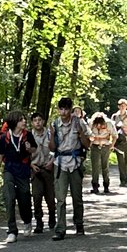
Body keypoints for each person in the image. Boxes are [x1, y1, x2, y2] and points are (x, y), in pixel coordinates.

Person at [47, 96, 91, 239]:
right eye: (61, 109)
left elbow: (87, 144)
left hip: (75, 163)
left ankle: (79, 224)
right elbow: (52, 148)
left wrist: (80, 133)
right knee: (60, 198)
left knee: (77, 197)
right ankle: (60, 229)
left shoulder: (79, 123)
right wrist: (52, 135)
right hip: (60, 164)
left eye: (66, 109)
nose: (64, 112)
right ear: (58, 109)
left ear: (71, 110)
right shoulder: (54, 125)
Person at [0, 108, 36, 242]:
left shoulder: (28, 135)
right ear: (15, 122)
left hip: (23, 170)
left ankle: (27, 221)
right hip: (9, 170)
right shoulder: (5, 137)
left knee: (25, 198)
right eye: (21, 119)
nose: (24, 121)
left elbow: (34, 149)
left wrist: (29, 148)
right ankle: (12, 231)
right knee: (9, 197)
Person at [28, 114, 56, 234]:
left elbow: (56, 150)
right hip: (35, 169)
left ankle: (52, 218)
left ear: (43, 121)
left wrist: (52, 162)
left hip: (48, 168)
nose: (38, 122)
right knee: (36, 196)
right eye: (35, 120)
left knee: (50, 197)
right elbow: (24, 155)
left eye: (40, 120)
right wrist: (31, 165)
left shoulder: (49, 134)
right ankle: (39, 221)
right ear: (32, 123)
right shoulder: (28, 136)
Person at [87, 111, 115, 194]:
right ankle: (95, 186)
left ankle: (106, 185)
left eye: (100, 124)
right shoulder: (91, 124)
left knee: (105, 166)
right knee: (95, 167)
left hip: (105, 146)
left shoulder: (109, 123)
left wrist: (112, 145)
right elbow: (87, 135)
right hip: (95, 147)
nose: (99, 126)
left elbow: (115, 135)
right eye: (97, 124)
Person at [111, 99, 127, 188]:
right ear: (118, 106)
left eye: (124, 106)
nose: (122, 107)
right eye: (121, 105)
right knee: (120, 161)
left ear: (126, 106)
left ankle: (126, 174)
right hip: (118, 142)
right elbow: (111, 129)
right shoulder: (114, 116)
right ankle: (123, 179)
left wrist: (126, 128)